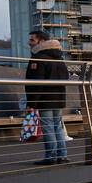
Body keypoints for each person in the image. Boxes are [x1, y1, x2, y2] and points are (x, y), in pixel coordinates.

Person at [25, 30, 69, 165]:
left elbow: (35, 83)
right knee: (58, 127)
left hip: (45, 99)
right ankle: (62, 156)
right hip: (59, 99)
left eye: (32, 40)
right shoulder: (59, 57)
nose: (29, 43)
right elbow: (66, 77)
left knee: (48, 127)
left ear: (42, 41)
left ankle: (51, 157)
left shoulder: (38, 58)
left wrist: (31, 103)